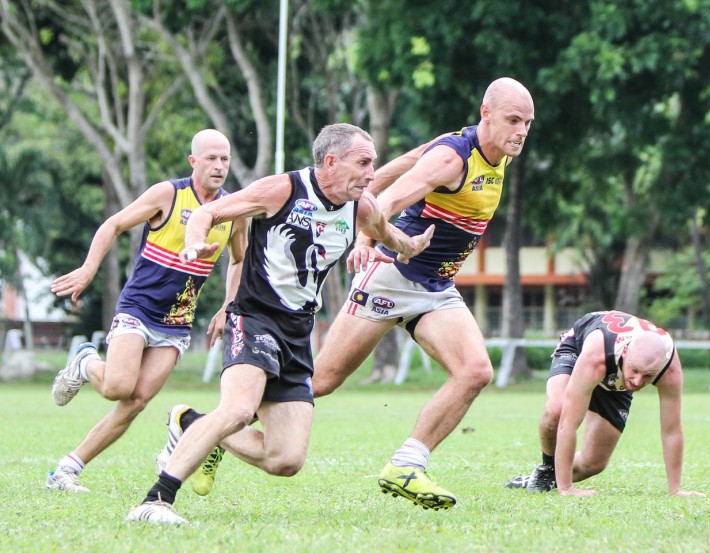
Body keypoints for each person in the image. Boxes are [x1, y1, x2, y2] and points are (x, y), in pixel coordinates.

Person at [126, 123, 433, 525]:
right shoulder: (282, 190)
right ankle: (155, 500)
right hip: (254, 318)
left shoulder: (361, 207)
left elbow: (386, 233)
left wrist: (411, 246)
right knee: (237, 410)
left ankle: (191, 424)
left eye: (373, 163)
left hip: (297, 332)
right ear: (330, 162)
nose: (372, 173)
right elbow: (208, 211)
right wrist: (192, 240)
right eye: (364, 163)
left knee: (286, 459)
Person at [310, 77, 535, 511]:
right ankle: (216, 426)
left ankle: (407, 464)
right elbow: (391, 200)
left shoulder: (493, 151)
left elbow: (405, 162)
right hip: (393, 278)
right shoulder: (454, 160)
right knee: (322, 380)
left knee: (475, 371)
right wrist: (365, 240)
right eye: (512, 120)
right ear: (485, 114)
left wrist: (368, 189)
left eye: (527, 123)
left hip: (435, 287)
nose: (521, 130)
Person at [46, 129, 246, 494]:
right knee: (117, 387)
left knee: (136, 401)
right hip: (138, 307)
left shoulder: (233, 209)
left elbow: (239, 258)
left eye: (225, 159)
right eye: (211, 158)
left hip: (177, 322)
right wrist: (89, 269)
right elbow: (114, 224)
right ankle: (85, 361)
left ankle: (66, 470)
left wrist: (226, 306)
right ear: (194, 161)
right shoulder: (168, 195)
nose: (219, 166)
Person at [504, 310, 705, 498]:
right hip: (580, 347)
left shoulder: (669, 370)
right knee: (557, 410)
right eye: (635, 370)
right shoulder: (596, 357)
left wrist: (676, 490)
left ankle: (543, 476)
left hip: (616, 375)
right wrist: (566, 489)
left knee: (593, 463)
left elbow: (671, 431)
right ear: (626, 352)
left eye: (648, 376)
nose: (637, 381)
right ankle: (548, 471)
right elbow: (569, 424)